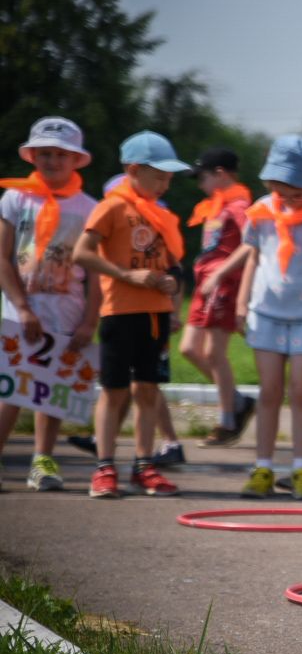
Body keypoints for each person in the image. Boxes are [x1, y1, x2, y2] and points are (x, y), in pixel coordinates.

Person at [209, 136, 302, 499]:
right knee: (269, 391)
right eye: (283, 191)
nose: (290, 199)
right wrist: (239, 301)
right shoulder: (262, 211)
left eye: (297, 192)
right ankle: (262, 467)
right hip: (266, 311)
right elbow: (253, 256)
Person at [72, 131, 193, 498]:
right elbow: (82, 253)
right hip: (119, 312)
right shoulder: (111, 207)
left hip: (154, 314)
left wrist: (171, 285)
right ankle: (105, 467)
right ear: (133, 170)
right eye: (160, 176)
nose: (165, 183)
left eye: (170, 177)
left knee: (148, 390)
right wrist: (125, 275)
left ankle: (144, 466)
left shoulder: (162, 214)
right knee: (114, 390)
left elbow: (172, 266)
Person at [0, 118, 100, 493]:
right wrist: (22, 307)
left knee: (51, 390)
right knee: (11, 389)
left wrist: (91, 321)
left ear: (75, 159)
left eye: (61, 154)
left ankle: (42, 461)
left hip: (67, 312)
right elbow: (4, 258)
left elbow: (95, 274)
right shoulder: (14, 199)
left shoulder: (90, 208)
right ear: (33, 156)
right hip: (19, 312)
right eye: (45, 153)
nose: (52, 161)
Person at [180, 147, 255, 446]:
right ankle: (237, 401)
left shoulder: (238, 205)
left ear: (220, 174)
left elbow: (251, 243)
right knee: (188, 348)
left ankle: (227, 420)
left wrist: (222, 273)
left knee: (213, 353)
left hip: (223, 285)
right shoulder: (215, 206)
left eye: (203, 177)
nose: (200, 184)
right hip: (205, 285)